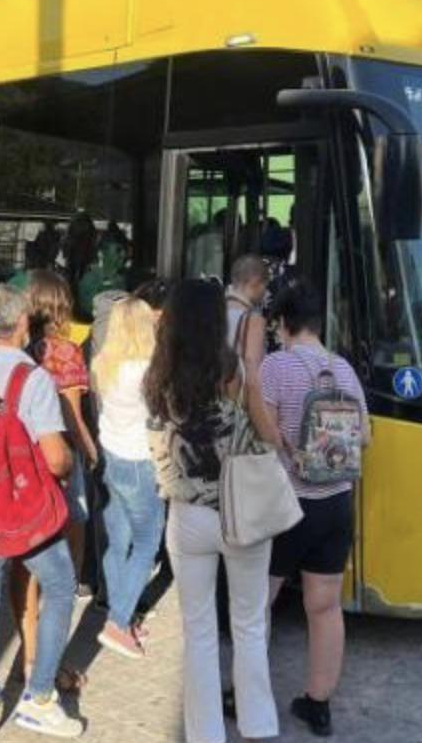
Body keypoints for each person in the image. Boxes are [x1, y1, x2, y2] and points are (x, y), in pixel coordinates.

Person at [146, 279, 279, 743]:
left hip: (187, 516)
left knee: (198, 631)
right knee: (248, 622)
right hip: (242, 511)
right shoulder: (236, 374)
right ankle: (258, 726)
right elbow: (266, 436)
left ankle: (204, 735)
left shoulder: (158, 379)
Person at [0, 284, 84, 739]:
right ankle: (39, 695)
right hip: (27, 509)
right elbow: (54, 456)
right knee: (61, 585)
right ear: (25, 322)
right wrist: (67, 465)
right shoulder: (35, 379)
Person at [247, 279, 367, 738]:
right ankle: (318, 703)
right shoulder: (344, 370)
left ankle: (247, 693)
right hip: (337, 504)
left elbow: (266, 429)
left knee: (259, 602)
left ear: (284, 323)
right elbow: (366, 437)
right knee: (324, 605)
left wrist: (286, 446)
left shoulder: (277, 367)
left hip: (288, 504)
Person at [13, 270, 96, 692]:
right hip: (59, 458)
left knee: (27, 565)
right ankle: (50, 662)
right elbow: (72, 415)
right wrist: (91, 451)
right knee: (67, 562)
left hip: (23, 464)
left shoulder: (18, 348)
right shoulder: (66, 351)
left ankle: (27, 657)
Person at [91, 296, 163, 659]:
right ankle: (118, 623)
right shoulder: (149, 369)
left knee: (116, 542)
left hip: (110, 457)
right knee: (147, 543)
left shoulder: (104, 362)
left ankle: (120, 611)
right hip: (139, 462)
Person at [226, 254, 270, 382]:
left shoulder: (212, 312)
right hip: (239, 396)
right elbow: (253, 373)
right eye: (265, 286)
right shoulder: (253, 321)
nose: (265, 293)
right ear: (255, 281)